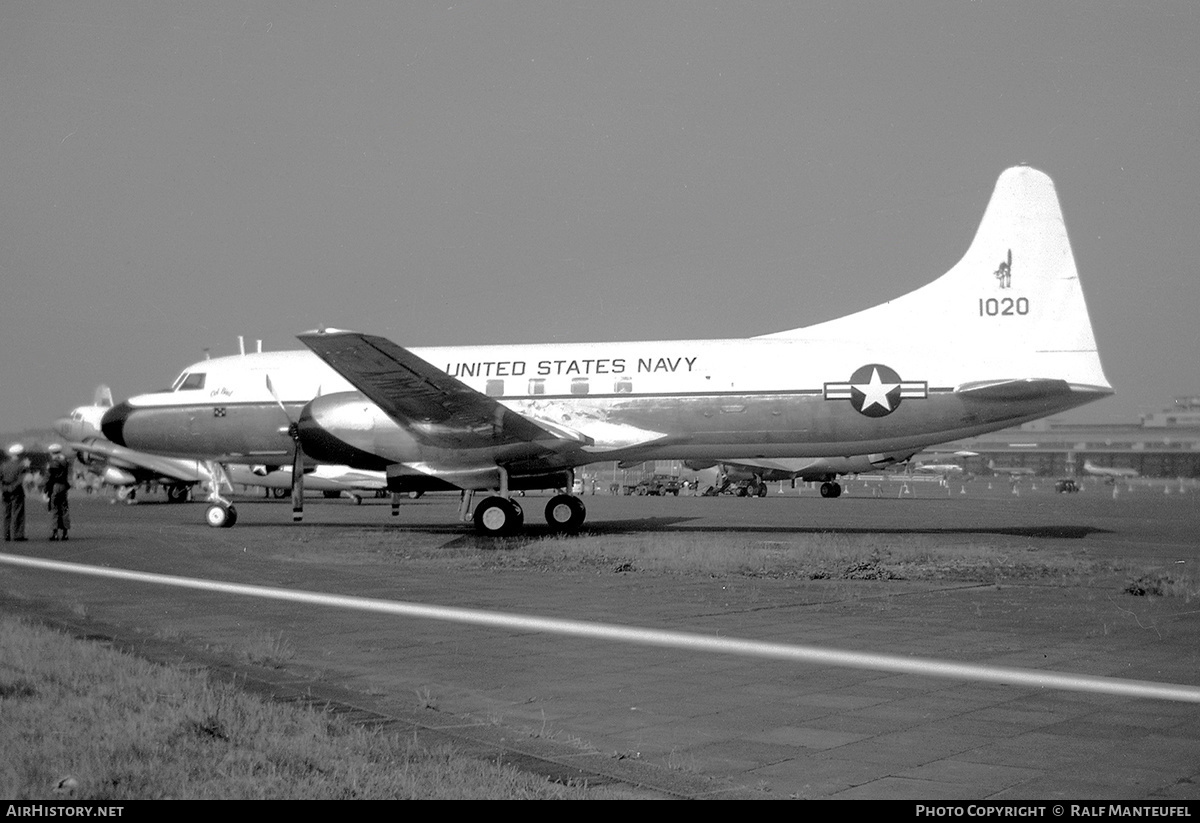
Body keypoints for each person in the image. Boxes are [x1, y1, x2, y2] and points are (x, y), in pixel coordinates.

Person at [44, 443, 71, 541]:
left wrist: (46, 488)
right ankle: (65, 533)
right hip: (64, 486)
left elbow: (49, 477)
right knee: (64, 509)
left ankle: (55, 533)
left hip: (55, 486)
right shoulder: (65, 461)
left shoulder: (53, 463)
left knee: (54, 509)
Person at [2, 443, 29, 541]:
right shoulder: (21, 465)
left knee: (6, 513)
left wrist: (4, 487)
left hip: (5, 491)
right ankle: (18, 534)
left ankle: (6, 534)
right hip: (16, 491)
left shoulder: (4, 465)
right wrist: (12, 487)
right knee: (18, 513)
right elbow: (20, 479)